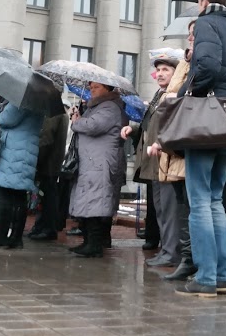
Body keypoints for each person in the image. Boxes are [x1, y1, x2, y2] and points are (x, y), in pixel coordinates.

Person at [158, 0, 226, 297]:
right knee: (215, 201)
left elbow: (208, 67)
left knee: (199, 201)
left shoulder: (208, 24)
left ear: (202, 1)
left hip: (205, 121)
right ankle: (222, 275)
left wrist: (186, 93)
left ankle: (207, 278)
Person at [123, 54, 179, 266]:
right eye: (159, 70)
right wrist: (134, 128)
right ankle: (166, 250)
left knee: (169, 209)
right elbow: (150, 124)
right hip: (153, 160)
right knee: (160, 209)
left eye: (166, 69)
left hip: (166, 160)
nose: (161, 74)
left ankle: (171, 252)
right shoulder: (158, 95)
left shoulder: (173, 96)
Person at [67, 82, 128, 257]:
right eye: (91, 87)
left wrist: (77, 121)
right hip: (91, 162)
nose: (92, 90)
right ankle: (88, 241)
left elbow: (93, 126)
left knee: (96, 202)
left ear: (108, 89)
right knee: (89, 201)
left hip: (100, 162)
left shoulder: (109, 107)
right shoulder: (96, 106)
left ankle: (94, 244)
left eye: (96, 87)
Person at [156, 24, 196, 282]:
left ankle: (190, 260)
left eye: (194, 33)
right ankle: (186, 259)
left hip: (191, 144)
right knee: (183, 207)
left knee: (193, 208)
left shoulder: (200, 64)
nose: (190, 37)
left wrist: (185, 62)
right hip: (177, 148)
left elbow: (174, 93)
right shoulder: (191, 60)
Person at [0, 99, 46, 249]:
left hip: (14, 154)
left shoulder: (22, 100)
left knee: (5, 195)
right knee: (18, 197)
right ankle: (15, 238)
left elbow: (5, 119)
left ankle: (2, 236)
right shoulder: (37, 100)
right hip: (22, 152)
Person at [28, 109, 69, 241]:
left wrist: (37, 159)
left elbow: (46, 138)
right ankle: (42, 226)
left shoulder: (52, 112)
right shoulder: (60, 111)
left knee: (47, 196)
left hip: (48, 162)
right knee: (46, 195)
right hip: (53, 161)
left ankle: (47, 228)